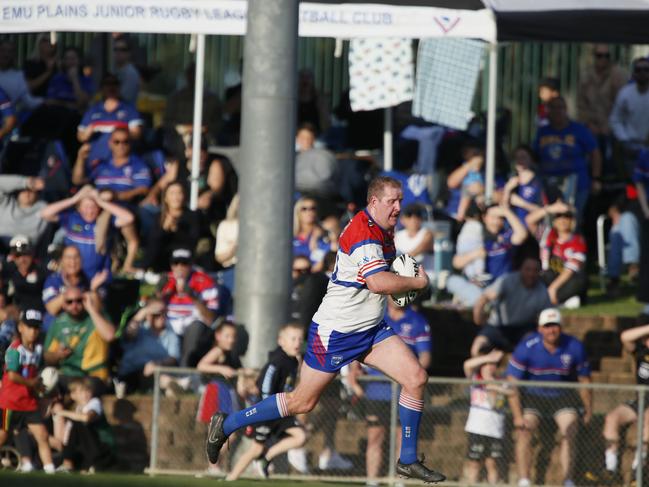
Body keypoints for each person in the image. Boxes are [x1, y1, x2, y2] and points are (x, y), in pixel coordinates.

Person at [205, 176, 445, 483]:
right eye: (392, 201)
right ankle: (226, 424)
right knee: (302, 402)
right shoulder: (363, 234)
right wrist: (416, 283)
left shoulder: (383, 228)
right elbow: (377, 282)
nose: (398, 207)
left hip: (370, 328)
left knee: (416, 377)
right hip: (336, 333)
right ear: (374, 202)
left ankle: (408, 459)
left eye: (400, 200)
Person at [348, 299, 432, 485]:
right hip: (376, 391)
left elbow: (425, 356)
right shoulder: (376, 315)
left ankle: (399, 482)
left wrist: (412, 376)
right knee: (375, 437)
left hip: (403, 392)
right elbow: (357, 346)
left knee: (402, 439)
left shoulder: (418, 321)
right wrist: (354, 371)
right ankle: (372, 482)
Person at [507, 308, 592, 487]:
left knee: (570, 431)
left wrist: (588, 410)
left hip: (562, 395)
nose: (551, 330)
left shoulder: (575, 346)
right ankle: (524, 480)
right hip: (533, 396)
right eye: (547, 326)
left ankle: (568, 480)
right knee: (524, 431)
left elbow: (585, 381)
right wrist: (517, 416)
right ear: (540, 328)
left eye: (555, 326)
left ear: (561, 327)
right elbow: (511, 383)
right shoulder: (527, 347)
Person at [225, 323, 306, 480]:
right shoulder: (277, 361)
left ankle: (266, 458)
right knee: (255, 448)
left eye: (300, 339)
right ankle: (231, 478)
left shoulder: (294, 361)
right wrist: (266, 409)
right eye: (293, 339)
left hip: (282, 411)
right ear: (281, 341)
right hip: (267, 411)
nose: (297, 343)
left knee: (301, 436)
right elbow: (265, 386)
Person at [0, 308, 56, 474]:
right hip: (9, 403)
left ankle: (49, 469)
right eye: (29, 327)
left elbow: (36, 372)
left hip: (28, 403)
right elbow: (12, 376)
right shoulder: (14, 350)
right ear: (21, 327)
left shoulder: (37, 350)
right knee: (2, 435)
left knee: (42, 435)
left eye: (36, 327)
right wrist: (33, 383)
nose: (33, 331)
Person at [41, 184, 134, 278]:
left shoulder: (105, 221)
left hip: (98, 276)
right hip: (72, 275)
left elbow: (128, 218)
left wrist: (101, 201)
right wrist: (74, 199)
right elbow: (45, 213)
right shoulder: (72, 218)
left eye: (93, 207)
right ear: (79, 207)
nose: (89, 211)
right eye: (86, 207)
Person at [534, 96, 602, 221]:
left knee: (572, 219)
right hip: (548, 182)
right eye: (553, 108)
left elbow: (595, 153)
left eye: (560, 107)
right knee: (550, 219)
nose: (557, 111)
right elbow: (534, 155)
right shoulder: (542, 132)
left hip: (576, 183)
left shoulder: (579, 130)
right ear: (548, 111)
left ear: (566, 110)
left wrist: (596, 178)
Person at [447, 203, 528, 307]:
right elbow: (456, 263)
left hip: (501, 287)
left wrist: (507, 212)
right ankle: (480, 303)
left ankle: (481, 304)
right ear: (484, 218)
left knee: (482, 299)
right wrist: (475, 254)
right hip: (477, 286)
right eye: (493, 217)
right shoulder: (476, 234)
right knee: (452, 281)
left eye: (500, 218)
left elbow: (522, 235)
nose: (496, 221)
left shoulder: (506, 236)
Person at [471, 256, 551, 356]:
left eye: (535, 270)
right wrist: (478, 318)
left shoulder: (542, 291)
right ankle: (476, 371)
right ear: (521, 269)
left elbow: (547, 316)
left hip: (523, 328)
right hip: (497, 327)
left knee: (535, 347)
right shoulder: (507, 280)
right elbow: (484, 298)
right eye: (528, 269)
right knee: (477, 347)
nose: (531, 274)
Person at [602, 322, 649, 482]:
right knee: (612, 418)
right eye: (646, 338)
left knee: (648, 419)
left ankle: (638, 468)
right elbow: (625, 337)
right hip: (640, 400)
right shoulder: (641, 353)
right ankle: (610, 468)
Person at [43, 285, 115, 390]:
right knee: (46, 378)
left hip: (94, 376)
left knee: (84, 387)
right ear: (63, 305)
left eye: (79, 300)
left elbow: (110, 336)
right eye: (69, 302)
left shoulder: (97, 317)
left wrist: (91, 309)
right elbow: (47, 356)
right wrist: (57, 355)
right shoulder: (58, 324)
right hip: (68, 374)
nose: (74, 305)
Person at [157, 248, 219, 367]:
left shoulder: (204, 280)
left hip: (193, 323)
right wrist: (159, 293)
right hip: (169, 323)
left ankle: (184, 372)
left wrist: (193, 297)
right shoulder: (166, 280)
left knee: (195, 329)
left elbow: (211, 319)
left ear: (191, 265)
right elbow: (152, 308)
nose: (179, 267)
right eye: (175, 263)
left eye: (184, 263)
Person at [577, 44, 628, 174]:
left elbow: (623, 105)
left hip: (614, 126)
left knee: (613, 159)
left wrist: (609, 126)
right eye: (599, 56)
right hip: (592, 126)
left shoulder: (619, 75)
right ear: (594, 57)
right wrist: (590, 124)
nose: (603, 59)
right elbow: (581, 105)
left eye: (606, 56)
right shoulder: (586, 76)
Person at [463, 348, 509, 485]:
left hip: (495, 430)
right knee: (474, 463)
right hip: (477, 429)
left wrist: (493, 386)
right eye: (487, 364)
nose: (490, 367)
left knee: (492, 464)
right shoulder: (475, 379)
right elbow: (467, 365)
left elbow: (495, 403)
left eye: (493, 364)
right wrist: (489, 357)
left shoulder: (502, 382)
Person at [76, 73, 143, 167]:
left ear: (119, 87)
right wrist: (86, 134)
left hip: (123, 165)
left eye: (115, 83)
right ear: (101, 88)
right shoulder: (93, 110)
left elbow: (137, 134)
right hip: (96, 164)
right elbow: (80, 136)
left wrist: (119, 132)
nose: (111, 87)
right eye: (107, 84)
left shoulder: (129, 109)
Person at [117, 298, 180, 394]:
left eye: (164, 313)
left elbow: (174, 358)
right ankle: (180, 384)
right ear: (147, 315)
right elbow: (128, 334)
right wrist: (143, 312)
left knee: (169, 389)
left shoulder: (170, 334)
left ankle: (176, 385)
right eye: (157, 314)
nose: (162, 317)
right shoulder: (140, 330)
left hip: (155, 373)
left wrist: (157, 364)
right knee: (165, 381)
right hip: (132, 374)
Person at [54, 377, 115, 472]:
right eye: (82, 391)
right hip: (85, 450)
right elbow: (67, 437)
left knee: (77, 421)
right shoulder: (77, 409)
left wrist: (63, 412)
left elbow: (86, 418)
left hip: (101, 448)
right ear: (73, 395)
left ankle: (68, 462)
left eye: (88, 390)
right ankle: (72, 462)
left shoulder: (94, 403)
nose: (86, 394)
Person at [141, 181, 200, 273]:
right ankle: (144, 269)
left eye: (179, 193)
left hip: (183, 256)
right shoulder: (159, 216)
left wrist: (176, 228)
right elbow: (152, 242)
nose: (176, 197)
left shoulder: (193, 216)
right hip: (162, 258)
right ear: (166, 198)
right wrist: (164, 229)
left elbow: (193, 240)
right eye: (172, 193)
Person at [538, 209, 587, 307]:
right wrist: (551, 208)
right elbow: (529, 221)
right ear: (554, 221)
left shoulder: (578, 242)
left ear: (572, 221)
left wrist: (552, 289)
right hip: (549, 277)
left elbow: (570, 270)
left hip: (568, 280)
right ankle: (561, 302)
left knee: (579, 280)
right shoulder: (548, 237)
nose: (563, 220)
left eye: (567, 217)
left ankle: (555, 300)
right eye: (559, 217)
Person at [610, 57, 649, 176]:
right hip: (630, 147)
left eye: (646, 69)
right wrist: (624, 139)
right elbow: (615, 119)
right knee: (633, 185)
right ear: (634, 73)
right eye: (638, 70)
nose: (642, 73)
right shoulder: (625, 93)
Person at [0, 174, 48, 250]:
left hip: (29, 251)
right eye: (24, 190)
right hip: (3, 248)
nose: (27, 193)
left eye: (31, 191)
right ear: (17, 193)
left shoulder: (43, 208)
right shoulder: (5, 204)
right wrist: (25, 183)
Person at [606, 194, 640, 296]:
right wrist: (615, 213)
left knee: (627, 219)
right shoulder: (629, 190)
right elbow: (612, 209)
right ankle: (633, 266)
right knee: (617, 233)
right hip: (625, 229)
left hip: (642, 227)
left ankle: (614, 279)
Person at [503, 145, 544, 227]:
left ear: (531, 159)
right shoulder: (510, 180)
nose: (520, 160)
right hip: (512, 229)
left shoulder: (539, 183)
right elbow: (503, 208)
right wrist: (507, 190)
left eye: (523, 157)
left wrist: (522, 203)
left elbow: (544, 210)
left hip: (531, 228)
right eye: (517, 157)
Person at [3, 235, 47, 311]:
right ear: (12, 257)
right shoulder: (7, 272)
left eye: (25, 254)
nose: (22, 259)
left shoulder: (43, 271)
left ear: (32, 254)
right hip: (14, 314)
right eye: (18, 255)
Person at [394, 204, 434, 271]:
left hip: (426, 275)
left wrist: (399, 260)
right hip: (404, 273)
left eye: (418, 215)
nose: (413, 219)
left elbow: (418, 250)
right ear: (402, 219)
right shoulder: (397, 236)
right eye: (409, 215)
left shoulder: (427, 234)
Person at [112, 36, 140, 106]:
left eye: (122, 49)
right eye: (116, 49)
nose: (118, 52)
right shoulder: (114, 70)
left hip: (126, 113)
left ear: (129, 53)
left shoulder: (131, 73)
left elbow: (124, 98)